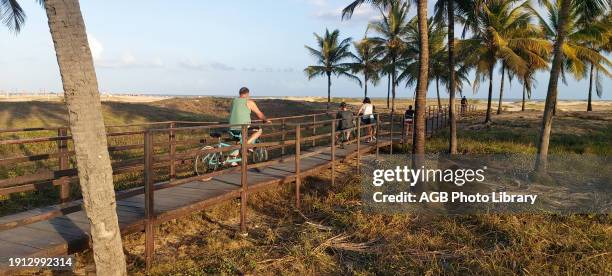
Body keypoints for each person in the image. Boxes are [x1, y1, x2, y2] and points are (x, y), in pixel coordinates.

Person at [228, 87, 270, 159]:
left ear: (240, 93)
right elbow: (259, 114)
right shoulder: (249, 102)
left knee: (239, 140)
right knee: (259, 130)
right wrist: (266, 120)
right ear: (247, 94)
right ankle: (246, 145)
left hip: (231, 128)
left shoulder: (234, 101)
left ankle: (234, 159)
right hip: (243, 128)